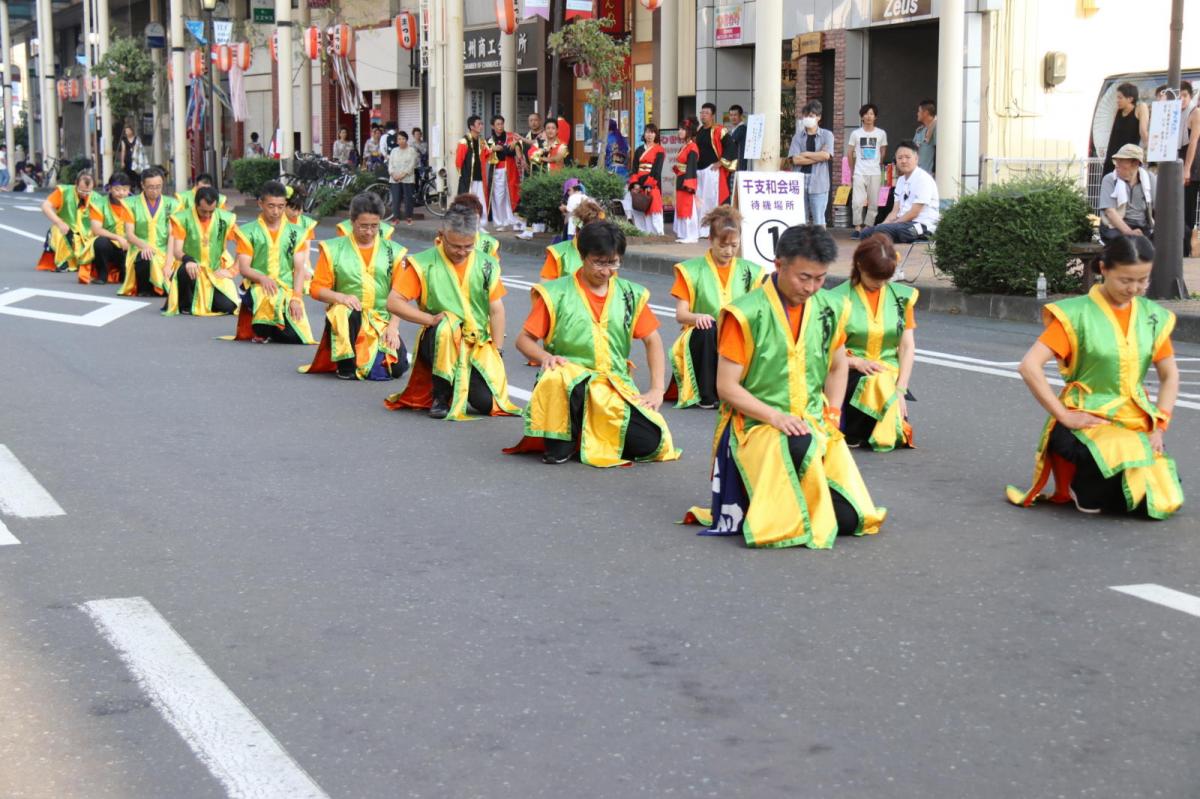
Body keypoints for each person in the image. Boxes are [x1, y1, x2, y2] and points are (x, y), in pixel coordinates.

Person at [682, 225, 887, 549]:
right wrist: (776, 418)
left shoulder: (831, 308)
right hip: (756, 425)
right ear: (779, 265)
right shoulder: (746, 313)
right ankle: (768, 503)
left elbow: (837, 366)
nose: (811, 287)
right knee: (799, 443)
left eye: (819, 279)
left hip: (813, 420)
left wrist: (833, 412)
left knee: (850, 521)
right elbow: (727, 387)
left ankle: (779, 503)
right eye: (804, 277)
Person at [1007, 235, 1182, 519]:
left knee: (1159, 500)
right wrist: (1064, 416)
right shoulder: (1075, 314)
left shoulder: (1153, 317)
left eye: (1143, 280)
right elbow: (1029, 366)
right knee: (1104, 502)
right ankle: (1078, 477)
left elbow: (1170, 375)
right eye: (1126, 280)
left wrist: (1159, 426)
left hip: (1133, 422)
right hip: (1085, 420)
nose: (1135, 288)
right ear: (1104, 269)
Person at [506, 220, 681, 467]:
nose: (606, 270)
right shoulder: (557, 293)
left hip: (613, 386)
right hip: (566, 387)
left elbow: (653, 341)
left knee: (650, 443)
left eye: (613, 262)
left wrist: (656, 389)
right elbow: (523, 340)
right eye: (599, 262)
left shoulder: (630, 294)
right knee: (559, 375)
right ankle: (567, 435)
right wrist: (545, 357)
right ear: (582, 255)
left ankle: (587, 431)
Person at [384, 204, 520, 420]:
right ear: (441, 236)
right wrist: (429, 319)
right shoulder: (423, 263)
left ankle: (459, 381)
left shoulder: (487, 265)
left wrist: (497, 350)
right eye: (456, 246)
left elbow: (496, 310)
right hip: (439, 338)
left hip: (475, 343)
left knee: (487, 404)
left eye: (468, 246)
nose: (462, 252)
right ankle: (440, 395)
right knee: (447, 325)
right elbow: (394, 302)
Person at [301, 192, 409, 381]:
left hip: (379, 321)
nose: (369, 232)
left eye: (374, 226)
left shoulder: (394, 252)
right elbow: (316, 288)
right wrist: (341, 298)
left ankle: (367, 355)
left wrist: (393, 327)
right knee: (344, 310)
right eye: (363, 226)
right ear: (352, 222)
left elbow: (400, 295)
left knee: (397, 368)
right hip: (349, 318)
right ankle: (346, 363)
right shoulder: (333, 249)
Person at [668, 206, 764, 409]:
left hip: (738, 333)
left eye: (734, 245)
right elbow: (681, 314)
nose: (729, 251)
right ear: (711, 240)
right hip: (704, 334)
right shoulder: (691, 270)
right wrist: (697, 317)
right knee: (707, 330)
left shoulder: (752, 272)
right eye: (723, 245)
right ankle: (708, 395)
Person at [828, 234, 917, 451]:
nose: (880, 284)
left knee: (882, 384)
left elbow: (907, 346)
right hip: (850, 372)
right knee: (873, 383)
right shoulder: (836, 298)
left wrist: (901, 389)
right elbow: (824, 349)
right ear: (859, 266)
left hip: (888, 375)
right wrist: (856, 362)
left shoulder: (901, 297)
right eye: (875, 277)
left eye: (885, 278)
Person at [230, 180, 314, 344]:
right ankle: (261, 323)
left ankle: (274, 327)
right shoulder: (248, 232)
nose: (276, 211)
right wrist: (262, 278)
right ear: (260, 203)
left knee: (297, 338)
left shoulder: (297, 233)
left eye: (281, 206)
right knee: (267, 300)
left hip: (286, 288)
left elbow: (298, 269)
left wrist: (297, 298)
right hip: (259, 287)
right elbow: (245, 268)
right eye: (271, 206)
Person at [163, 186, 240, 317]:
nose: (207, 215)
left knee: (228, 306)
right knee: (186, 270)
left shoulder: (226, 219)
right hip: (191, 269)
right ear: (196, 204)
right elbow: (177, 251)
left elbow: (244, 246)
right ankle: (185, 303)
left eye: (211, 211)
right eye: (203, 211)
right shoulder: (182, 218)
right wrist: (188, 260)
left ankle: (202, 299)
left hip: (214, 272)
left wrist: (231, 270)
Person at [859, 140, 938, 243]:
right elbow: (895, 211)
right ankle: (882, 252)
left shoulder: (923, 179)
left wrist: (892, 225)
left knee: (890, 231)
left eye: (907, 157)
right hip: (902, 224)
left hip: (922, 227)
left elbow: (914, 212)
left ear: (916, 158)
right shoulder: (900, 181)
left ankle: (886, 251)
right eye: (900, 158)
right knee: (867, 233)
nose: (903, 161)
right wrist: (884, 223)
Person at [119, 167, 179, 297]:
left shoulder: (172, 204)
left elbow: (172, 235)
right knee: (144, 256)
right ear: (142, 185)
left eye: (158, 186)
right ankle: (144, 288)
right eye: (151, 187)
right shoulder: (130, 204)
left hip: (164, 251)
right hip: (140, 248)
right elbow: (129, 234)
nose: (155, 190)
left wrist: (169, 263)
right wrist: (145, 246)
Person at [37, 171, 95, 273]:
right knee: (58, 231)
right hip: (65, 228)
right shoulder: (64, 192)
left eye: (88, 192)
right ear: (76, 184)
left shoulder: (96, 197)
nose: (85, 195)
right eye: (82, 191)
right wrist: (59, 222)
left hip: (86, 234)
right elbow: (45, 206)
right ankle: (63, 262)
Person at [788, 100, 834, 227]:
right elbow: (795, 159)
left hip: (819, 182)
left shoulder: (827, 135)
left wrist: (805, 153)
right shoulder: (797, 137)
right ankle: (803, 246)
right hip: (799, 180)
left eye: (811, 116)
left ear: (818, 117)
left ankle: (820, 246)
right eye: (806, 116)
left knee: (819, 220)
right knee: (800, 219)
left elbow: (826, 155)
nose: (808, 118)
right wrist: (818, 156)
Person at [1098, 143, 1155, 242]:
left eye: (1121, 161)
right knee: (1125, 243)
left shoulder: (1149, 179)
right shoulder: (1110, 179)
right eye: (1116, 161)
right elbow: (1110, 212)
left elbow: (1158, 207)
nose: (1116, 165)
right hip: (1114, 227)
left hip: (1142, 226)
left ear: (1135, 163)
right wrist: (1129, 232)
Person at [84, 172, 132, 285]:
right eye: (117, 189)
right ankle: (102, 274)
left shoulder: (135, 203)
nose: (121, 193)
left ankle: (125, 273)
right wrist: (119, 239)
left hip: (130, 245)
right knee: (100, 242)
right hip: (110, 244)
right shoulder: (98, 204)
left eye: (125, 189)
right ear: (110, 188)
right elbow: (97, 230)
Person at [847, 103, 888, 237]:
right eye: (866, 113)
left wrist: (879, 162)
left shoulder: (881, 133)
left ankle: (868, 227)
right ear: (862, 116)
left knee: (873, 202)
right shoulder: (856, 134)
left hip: (875, 172)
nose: (869, 116)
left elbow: (883, 150)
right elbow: (849, 152)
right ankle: (857, 227)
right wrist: (852, 170)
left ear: (875, 117)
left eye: (871, 114)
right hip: (859, 172)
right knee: (857, 201)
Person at [540, 198, 605, 280]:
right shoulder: (559, 253)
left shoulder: (607, 252)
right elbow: (546, 289)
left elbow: (612, 287)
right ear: (578, 228)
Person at [695, 103, 734, 236]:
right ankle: (703, 229)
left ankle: (717, 230)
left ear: (712, 115)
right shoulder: (699, 131)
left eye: (706, 113)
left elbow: (731, 146)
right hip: (700, 172)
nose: (703, 115)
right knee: (701, 201)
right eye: (702, 113)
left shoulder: (719, 130)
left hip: (712, 171)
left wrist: (721, 162)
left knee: (713, 200)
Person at [625, 123, 666, 236]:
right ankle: (643, 233)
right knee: (637, 209)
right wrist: (635, 184)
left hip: (652, 184)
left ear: (656, 134)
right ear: (644, 134)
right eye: (647, 132)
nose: (649, 135)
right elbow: (634, 168)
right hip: (639, 184)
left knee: (654, 209)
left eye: (652, 132)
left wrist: (649, 185)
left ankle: (658, 233)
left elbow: (657, 170)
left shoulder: (660, 150)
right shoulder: (638, 150)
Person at [1103, 83, 1148, 176]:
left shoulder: (1140, 108)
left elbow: (1143, 132)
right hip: (1112, 157)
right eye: (1117, 97)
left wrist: (1150, 153)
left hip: (1128, 158)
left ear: (1130, 99)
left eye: (1120, 98)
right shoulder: (1117, 111)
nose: (1117, 100)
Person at [486, 115, 522, 231]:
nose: (500, 126)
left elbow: (515, 150)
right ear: (492, 126)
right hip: (497, 170)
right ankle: (500, 222)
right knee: (498, 196)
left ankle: (514, 220)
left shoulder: (511, 136)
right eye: (498, 124)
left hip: (511, 168)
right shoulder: (489, 140)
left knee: (513, 193)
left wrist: (505, 148)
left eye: (502, 124)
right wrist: (496, 149)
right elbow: (487, 154)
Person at [455, 115, 490, 222]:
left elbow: (487, 154)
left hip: (480, 177)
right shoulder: (464, 141)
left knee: (481, 202)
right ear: (472, 127)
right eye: (479, 124)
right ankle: (468, 225)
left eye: (481, 124)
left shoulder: (482, 141)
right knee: (468, 203)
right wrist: (463, 175)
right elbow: (458, 161)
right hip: (468, 178)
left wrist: (493, 149)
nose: (481, 126)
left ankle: (481, 225)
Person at [673, 118, 701, 244]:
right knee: (682, 207)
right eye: (680, 129)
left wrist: (689, 184)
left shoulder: (692, 147)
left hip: (687, 180)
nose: (680, 131)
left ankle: (691, 235)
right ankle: (684, 234)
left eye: (683, 129)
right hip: (681, 178)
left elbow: (691, 167)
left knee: (688, 208)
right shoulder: (684, 146)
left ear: (689, 131)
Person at [1180, 82, 1200, 255]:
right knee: (1185, 207)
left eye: (1184, 96)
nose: (1181, 100)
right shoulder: (1176, 113)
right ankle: (1184, 249)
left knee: (1189, 208)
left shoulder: (1195, 112)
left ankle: (1187, 249)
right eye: (1178, 96)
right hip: (1184, 162)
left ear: (1190, 96)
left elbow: (1193, 142)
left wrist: (1187, 168)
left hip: (1194, 165)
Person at [388, 130, 419, 225]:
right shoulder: (394, 151)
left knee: (408, 199)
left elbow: (411, 165)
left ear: (406, 140)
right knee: (396, 199)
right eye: (399, 139)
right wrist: (393, 174)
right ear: (397, 141)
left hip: (407, 179)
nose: (401, 140)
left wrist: (402, 175)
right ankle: (396, 218)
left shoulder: (412, 150)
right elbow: (390, 164)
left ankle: (409, 218)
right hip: (395, 179)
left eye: (403, 139)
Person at [725, 105, 747, 198]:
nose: (733, 117)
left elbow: (730, 144)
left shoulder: (741, 129)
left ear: (741, 116)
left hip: (738, 166)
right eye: (731, 115)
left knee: (735, 194)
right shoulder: (734, 129)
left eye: (735, 115)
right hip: (734, 166)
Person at [913, 100, 937, 176]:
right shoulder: (920, 130)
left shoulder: (936, 128)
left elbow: (938, 150)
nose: (917, 114)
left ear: (926, 113)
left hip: (929, 174)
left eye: (919, 111)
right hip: (917, 172)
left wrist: (935, 170)